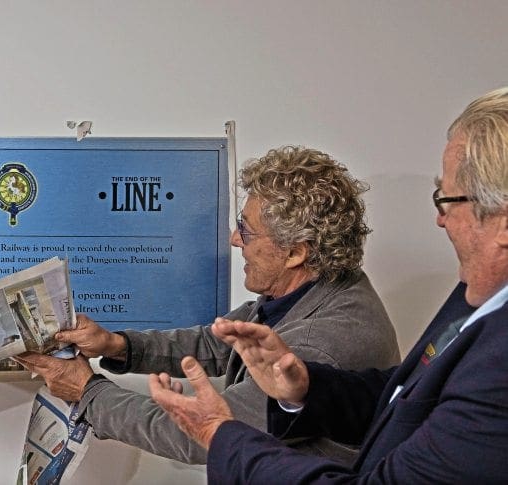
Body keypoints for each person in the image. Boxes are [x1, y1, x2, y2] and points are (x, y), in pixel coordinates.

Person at [149, 87, 508, 483]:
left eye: (447, 199)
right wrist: (306, 388)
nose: (440, 219)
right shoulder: (478, 293)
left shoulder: (499, 372)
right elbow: (405, 394)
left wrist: (218, 434)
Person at [14, 146, 400, 465]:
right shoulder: (316, 286)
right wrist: (119, 346)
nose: (234, 240)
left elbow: (195, 434)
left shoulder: (318, 343)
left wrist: (86, 390)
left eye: (246, 230)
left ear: (295, 253)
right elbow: (217, 343)